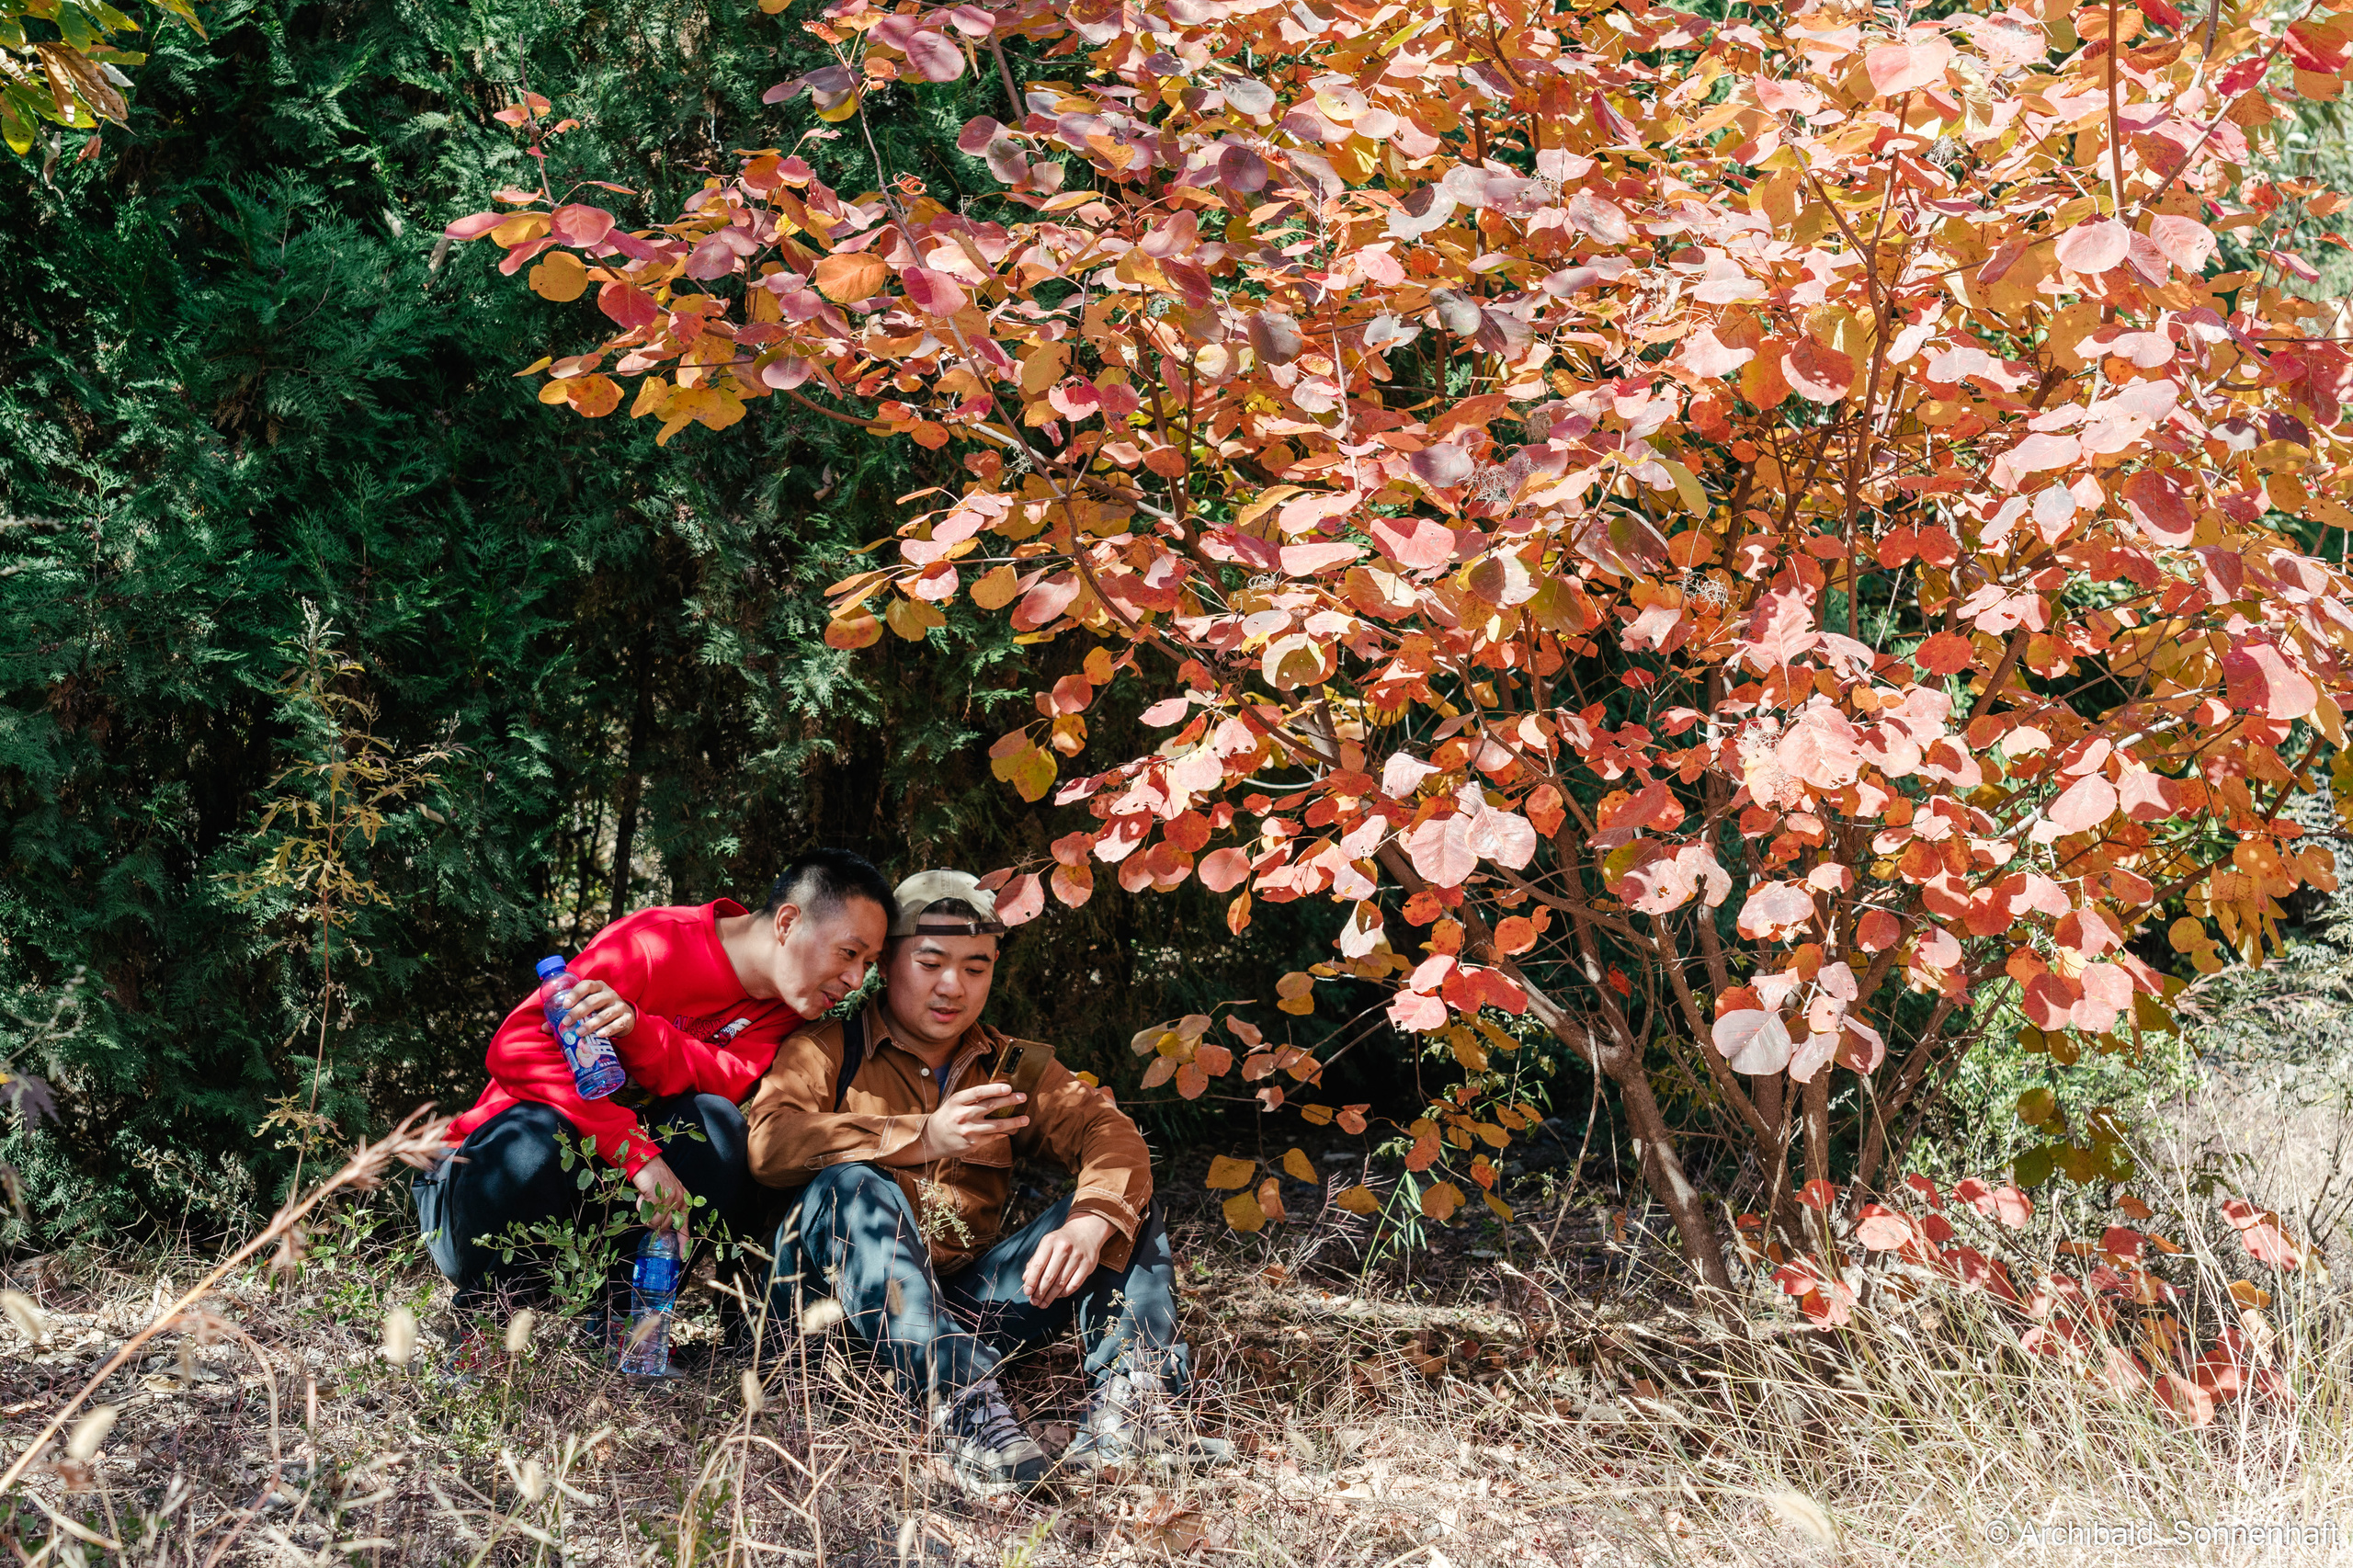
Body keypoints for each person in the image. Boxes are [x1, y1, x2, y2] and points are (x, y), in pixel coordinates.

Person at [744, 869, 1231, 1494]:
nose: (953, 986)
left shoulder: (1013, 1066)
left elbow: (1110, 1133)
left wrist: (1090, 1221)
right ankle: (963, 1413)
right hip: (826, 1327)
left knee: (1120, 1203)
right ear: (886, 964)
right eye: (930, 961)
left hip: (962, 1309)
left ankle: (1134, 1416)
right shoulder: (824, 1049)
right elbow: (769, 1144)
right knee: (851, 1187)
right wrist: (923, 1134)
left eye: (977, 967)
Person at [416, 849, 896, 1341]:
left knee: (718, 1126)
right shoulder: (654, 944)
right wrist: (634, 1153)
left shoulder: (788, 1013)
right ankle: (484, 1330)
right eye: (848, 953)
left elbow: (723, 1081)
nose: (857, 979)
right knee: (539, 1135)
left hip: (594, 1202)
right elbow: (515, 1046)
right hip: (479, 1191)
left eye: (869, 963)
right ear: (788, 922)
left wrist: (637, 1031)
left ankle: (627, 1334)